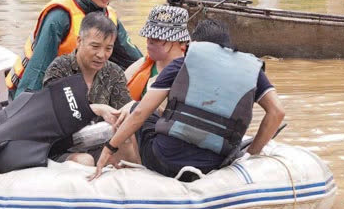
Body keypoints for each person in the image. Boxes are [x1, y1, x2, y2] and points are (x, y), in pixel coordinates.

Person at [91, 19, 285, 181]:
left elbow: (141, 112)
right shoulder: (252, 71)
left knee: (132, 108)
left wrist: (109, 148)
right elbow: (277, 112)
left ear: (196, 44)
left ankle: (135, 173)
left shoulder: (180, 65)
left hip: (165, 160)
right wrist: (252, 153)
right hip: (214, 164)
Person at [7, 0, 143, 100]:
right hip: (33, 85)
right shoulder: (59, 16)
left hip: (75, 85)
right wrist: (24, 106)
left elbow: (132, 58)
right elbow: (38, 68)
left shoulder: (109, 16)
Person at [43, 12, 134, 165]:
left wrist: (131, 109)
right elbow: (55, 114)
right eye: (95, 46)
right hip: (62, 146)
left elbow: (124, 112)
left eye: (108, 48)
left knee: (129, 147)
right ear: (79, 41)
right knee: (85, 161)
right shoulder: (59, 68)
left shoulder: (115, 72)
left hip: (101, 142)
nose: (101, 55)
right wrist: (96, 109)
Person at [123, 5, 191, 100]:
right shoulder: (142, 64)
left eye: (157, 39)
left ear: (180, 42)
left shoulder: (190, 71)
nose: (149, 42)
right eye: (148, 37)